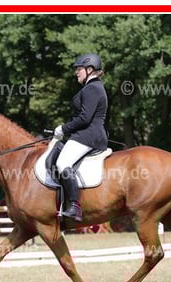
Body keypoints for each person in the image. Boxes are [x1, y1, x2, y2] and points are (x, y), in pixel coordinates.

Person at [54, 53, 109, 222]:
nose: (76, 72)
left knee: (62, 163)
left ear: (90, 69)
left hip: (88, 136)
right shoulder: (94, 87)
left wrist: (63, 128)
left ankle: (74, 206)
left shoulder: (92, 88)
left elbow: (85, 118)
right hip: (90, 134)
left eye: (79, 69)